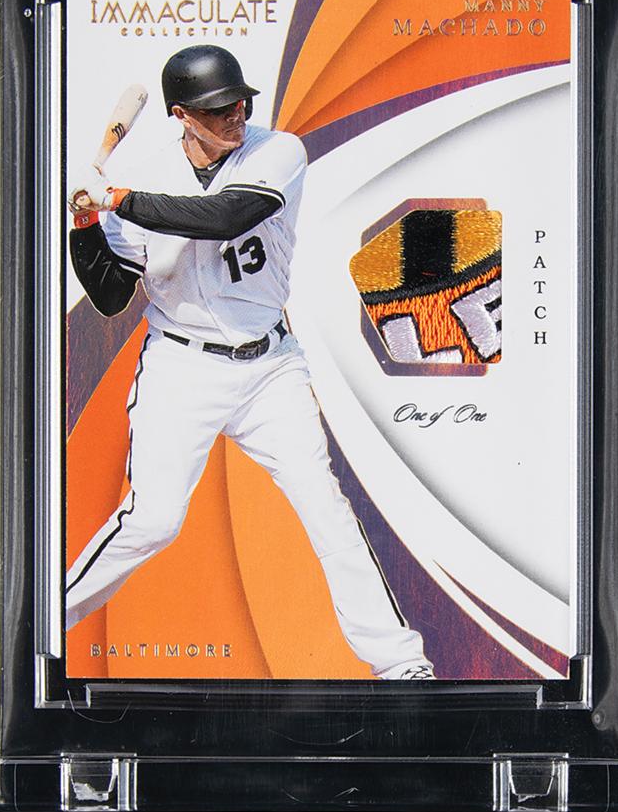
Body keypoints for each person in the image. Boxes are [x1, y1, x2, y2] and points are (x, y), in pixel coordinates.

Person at [66, 44, 435, 680]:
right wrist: (84, 225)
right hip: (182, 367)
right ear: (182, 115)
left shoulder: (276, 151)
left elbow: (228, 215)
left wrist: (119, 198)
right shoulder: (151, 179)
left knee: (325, 506)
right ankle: (41, 625)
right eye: (217, 109)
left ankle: (401, 664)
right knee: (152, 520)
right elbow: (110, 295)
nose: (235, 114)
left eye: (239, 102)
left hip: (270, 368)